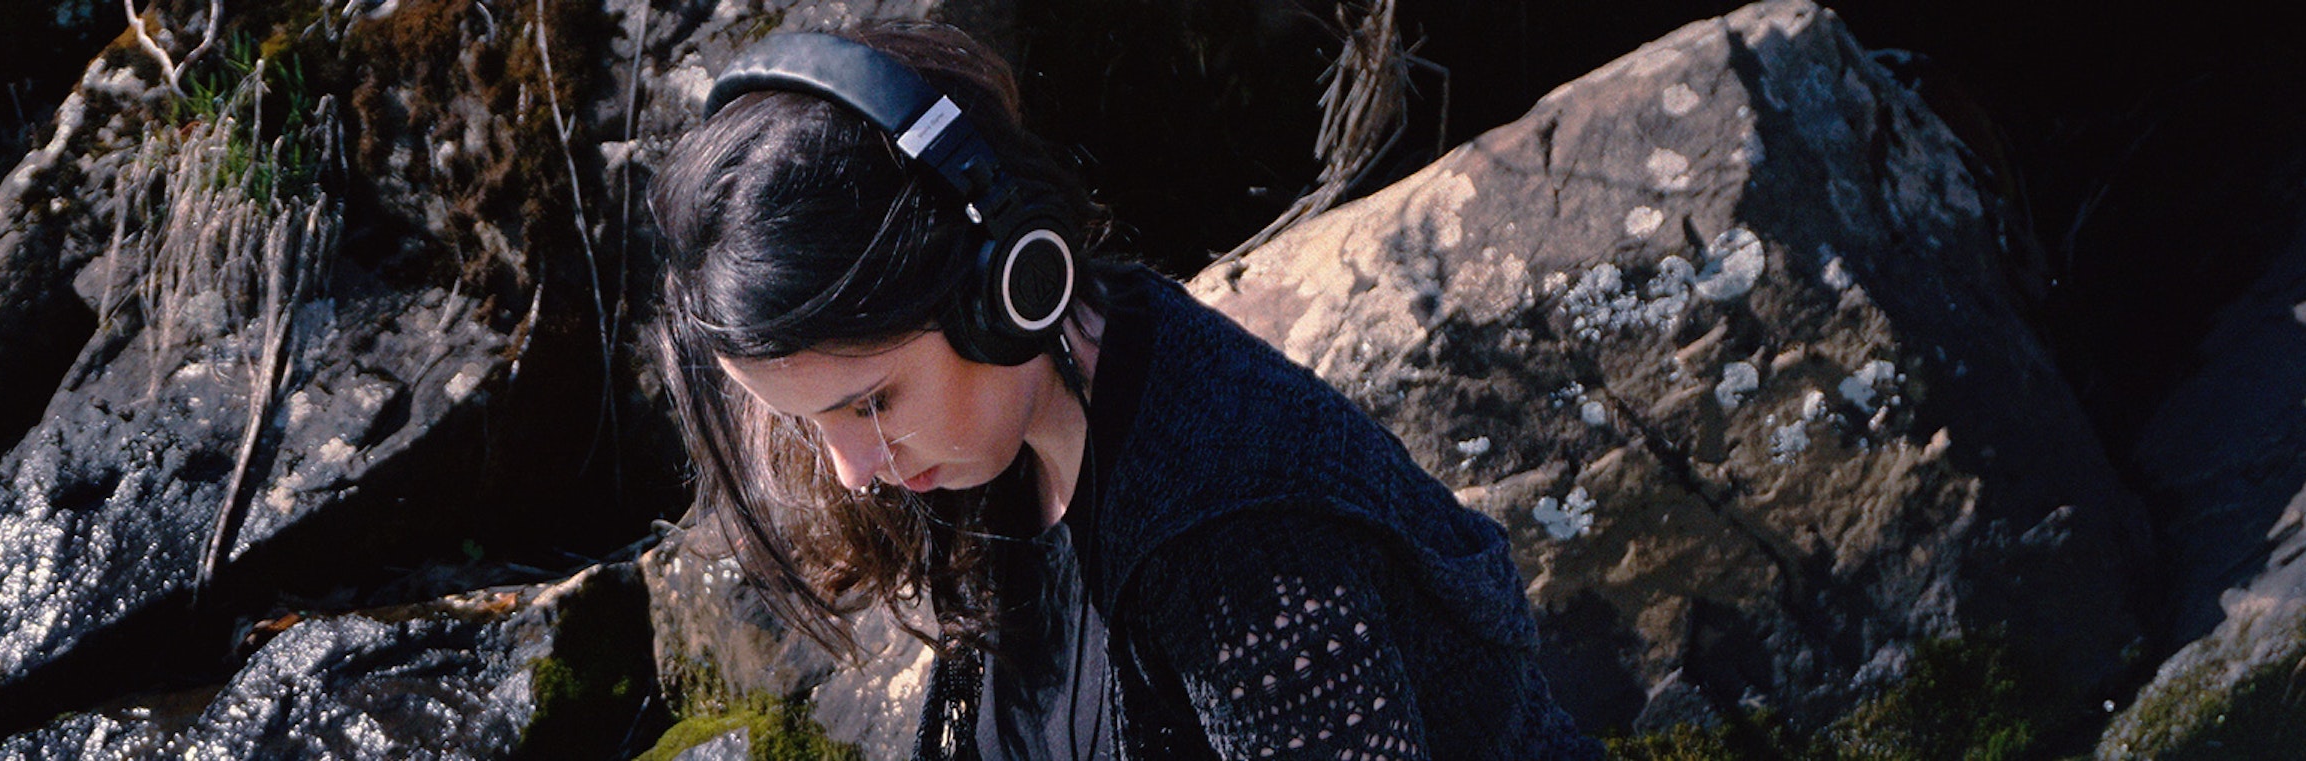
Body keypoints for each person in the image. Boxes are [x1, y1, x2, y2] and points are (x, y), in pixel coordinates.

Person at [649, 20, 1601, 760]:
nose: (853, 472)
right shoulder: (1002, 440)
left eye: (868, 404)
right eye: (808, 424)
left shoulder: (1239, 540)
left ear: (1009, 290)